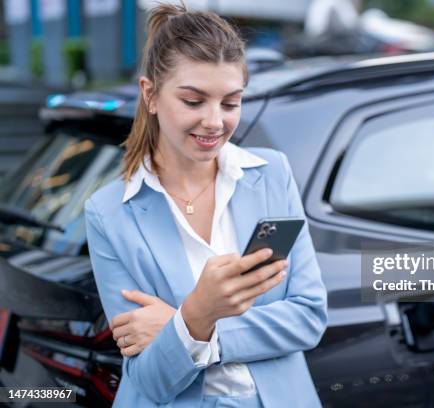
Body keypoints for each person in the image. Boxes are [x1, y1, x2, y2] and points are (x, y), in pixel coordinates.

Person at [84, 3, 327, 407]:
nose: (215, 122)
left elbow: (308, 317)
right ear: (151, 95)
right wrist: (197, 312)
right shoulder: (109, 212)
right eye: (194, 101)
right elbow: (149, 379)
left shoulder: (271, 174)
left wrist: (191, 328)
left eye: (230, 103)